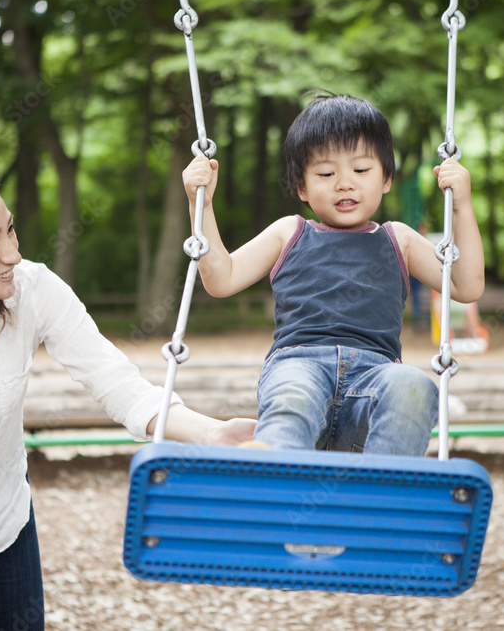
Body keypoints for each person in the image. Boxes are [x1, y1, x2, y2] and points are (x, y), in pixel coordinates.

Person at [0, 161, 255, 631]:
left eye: (10, 230)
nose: (13, 253)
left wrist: (211, 432)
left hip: (1, 513)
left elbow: (114, 379)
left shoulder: (32, 291)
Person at [181, 93, 484, 456]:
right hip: (300, 367)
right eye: (326, 173)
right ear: (302, 187)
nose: (344, 183)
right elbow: (221, 279)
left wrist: (462, 206)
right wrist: (201, 204)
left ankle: (380, 495)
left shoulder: (398, 239)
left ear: (386, 178)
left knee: (414, 385)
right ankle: (275, 480)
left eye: (360, 170)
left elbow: (465, 286)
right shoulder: (288, 232)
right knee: (292, 393)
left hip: (374, 382)